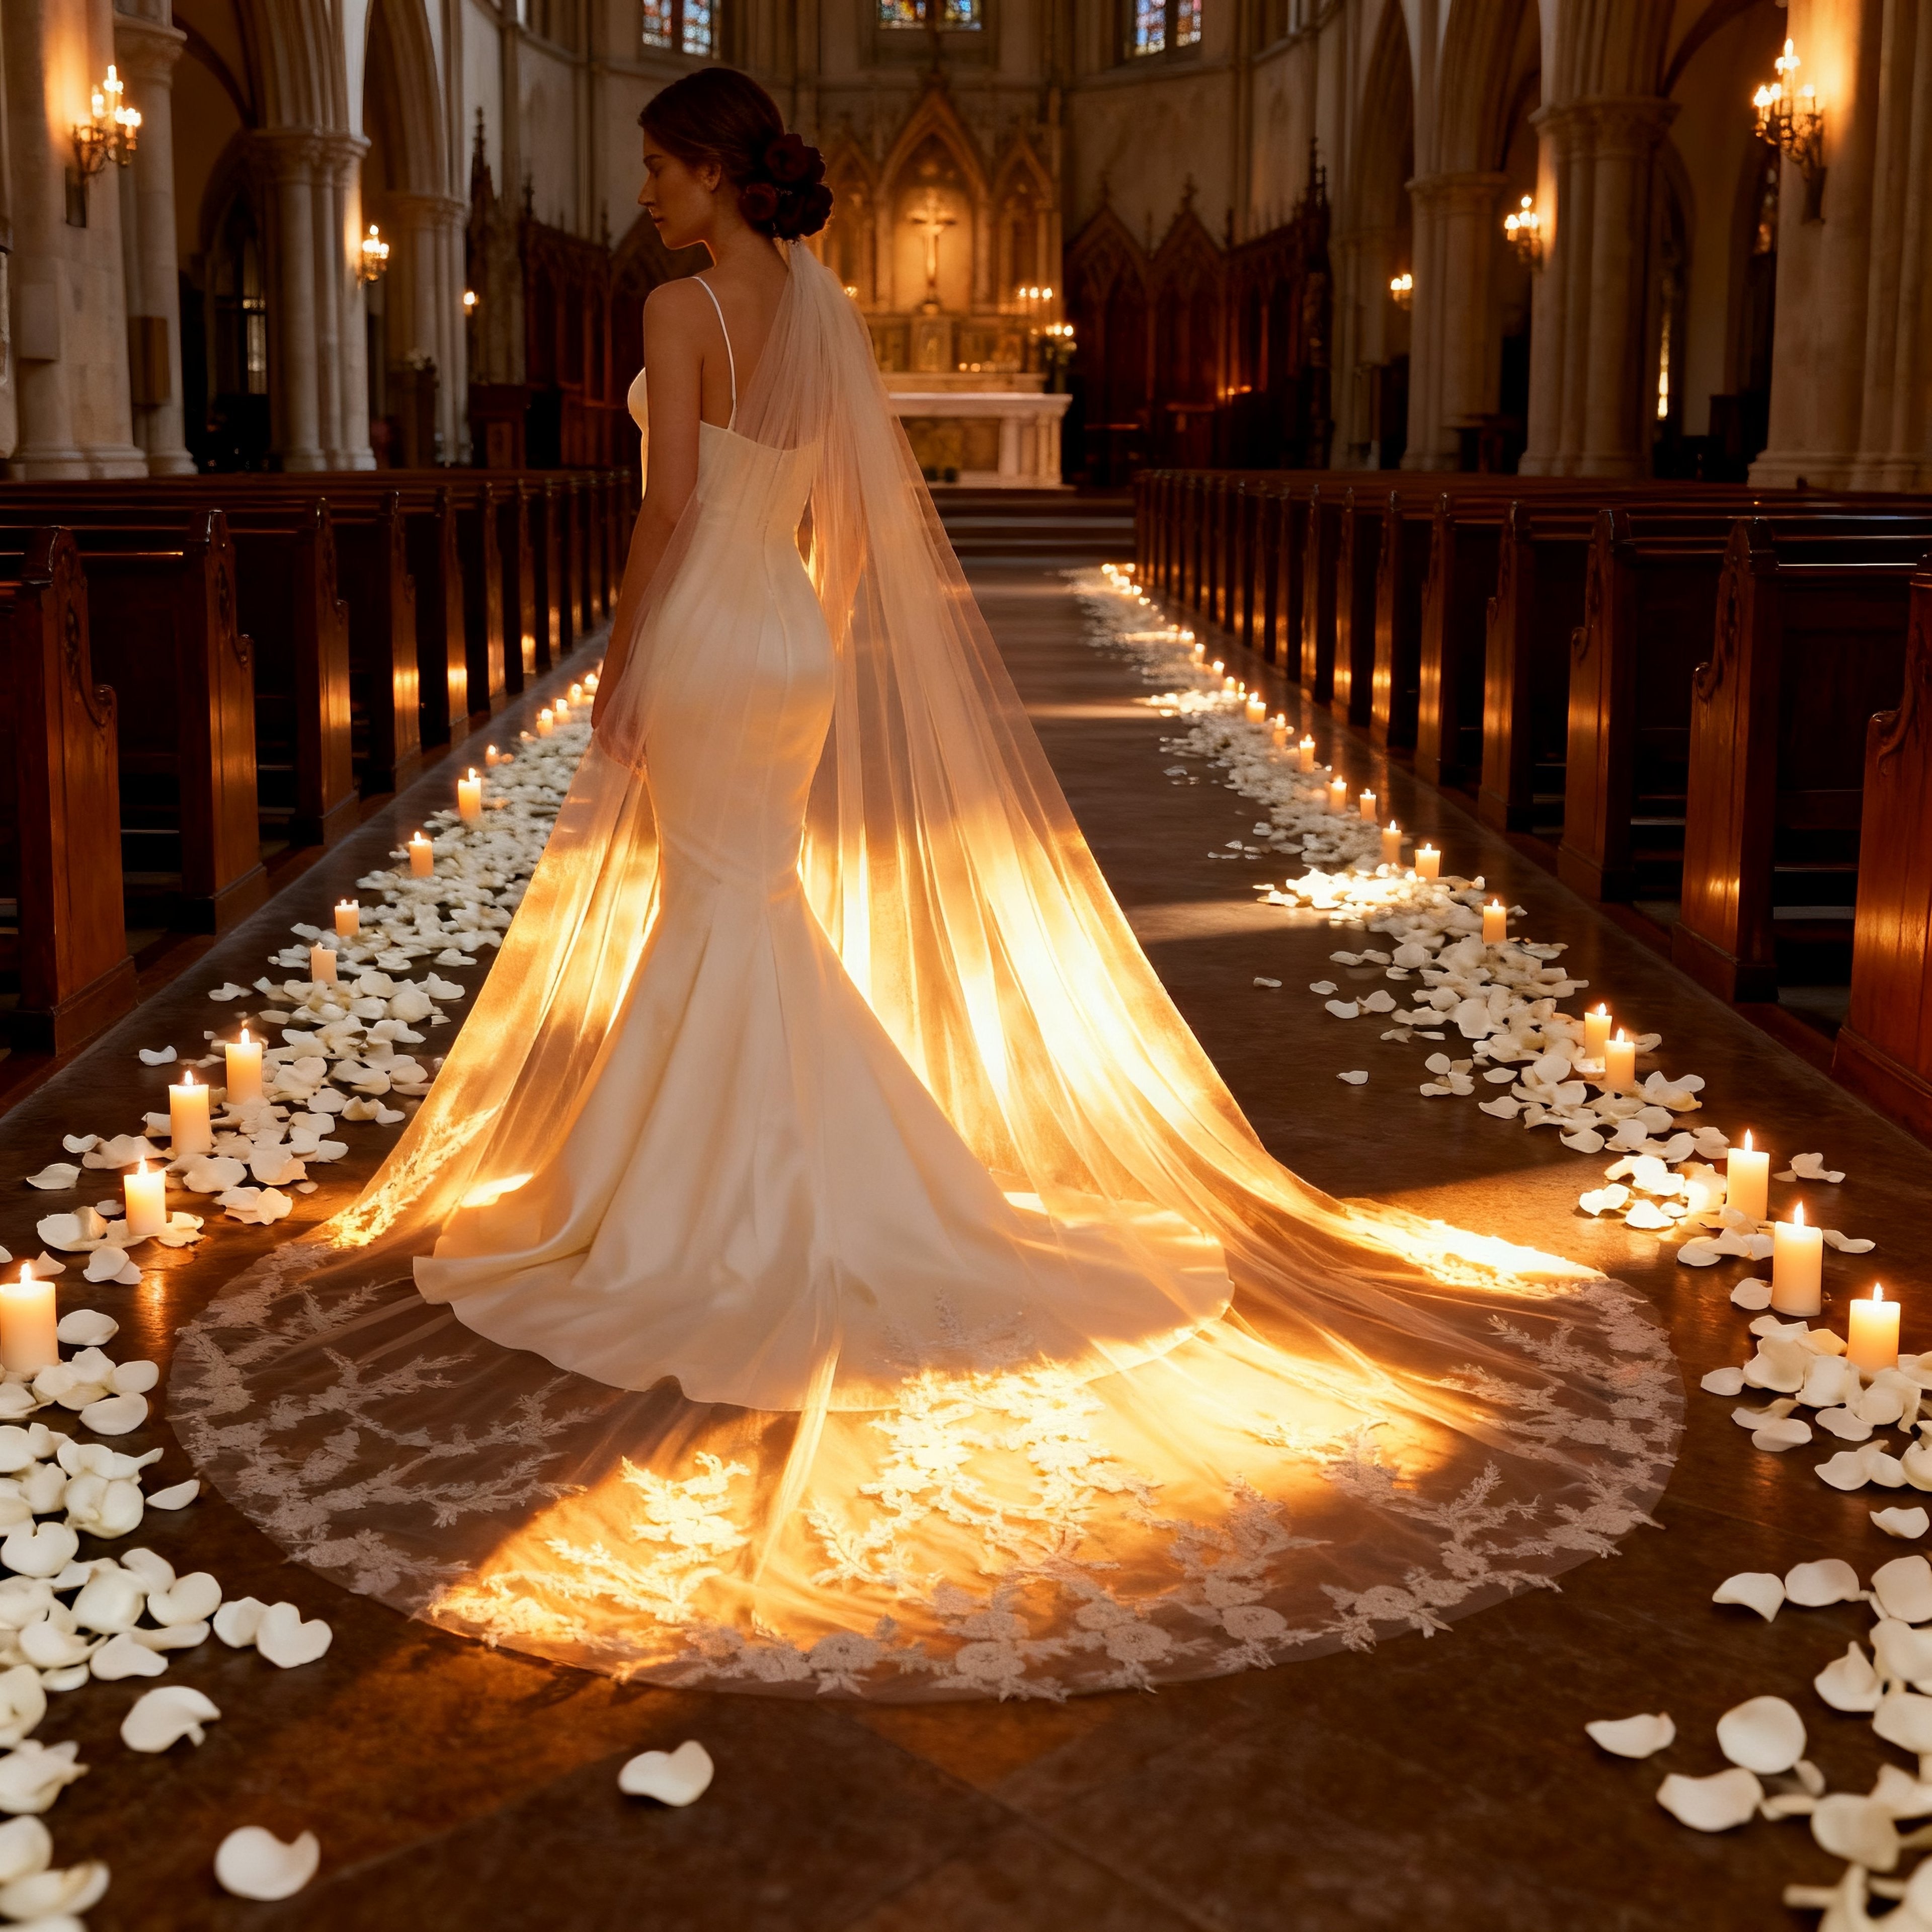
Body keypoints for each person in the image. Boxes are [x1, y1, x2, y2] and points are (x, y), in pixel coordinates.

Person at [173, 69, 1678, 1702]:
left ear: (714, 174)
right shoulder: (815, 299)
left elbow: (668, 505)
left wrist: (623, 655)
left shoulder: (684, 308)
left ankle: (693, 1201)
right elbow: (849, 530)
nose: (649, 199)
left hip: (700, 634)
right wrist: (790, 617)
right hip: (792, 641)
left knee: (716, 902)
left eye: (662, 170)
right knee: (746, 902)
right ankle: (783, 1180)